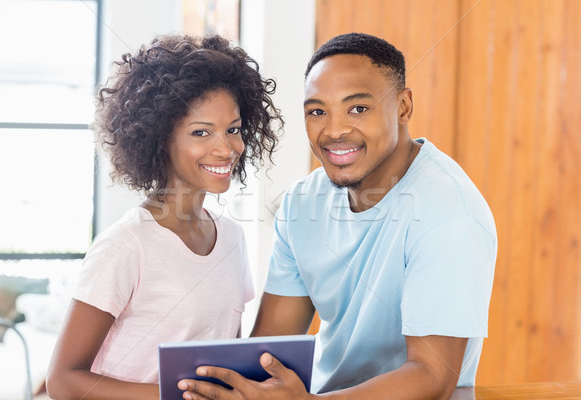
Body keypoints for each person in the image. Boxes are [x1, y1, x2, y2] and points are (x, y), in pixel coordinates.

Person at [178, 32, 497, 400]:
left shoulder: (449, 214)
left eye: (358, 108)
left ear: (403, 107)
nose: (333, 130)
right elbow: (270, 348)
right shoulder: (302, 204)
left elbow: (432, 377)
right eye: (317, 111)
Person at [45, 33, 282, 400]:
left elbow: (222, 357)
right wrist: (171, 395)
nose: (226, 148)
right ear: (159, 140)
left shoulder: (232, 237)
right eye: (201, 132)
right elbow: (63, 380)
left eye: (233, 130)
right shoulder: (126, 246)